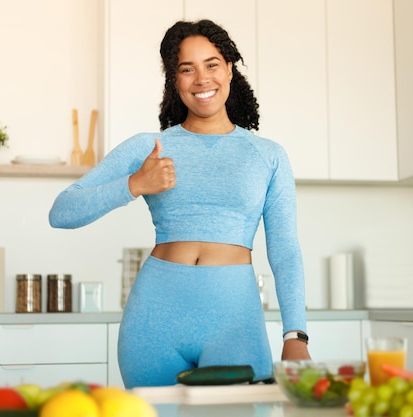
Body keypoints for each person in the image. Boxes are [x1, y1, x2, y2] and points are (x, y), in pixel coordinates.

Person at [49, 19, 311, 388]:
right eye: (186, 69)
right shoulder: (149, 147)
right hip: (154, 322)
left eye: (212, 64)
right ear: (175, 81)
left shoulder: (267, 155)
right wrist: (135, 184)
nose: (202, 78)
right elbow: (61, 211)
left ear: (231, 69)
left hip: (234, 322)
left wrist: (295, 335)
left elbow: (284, 250)